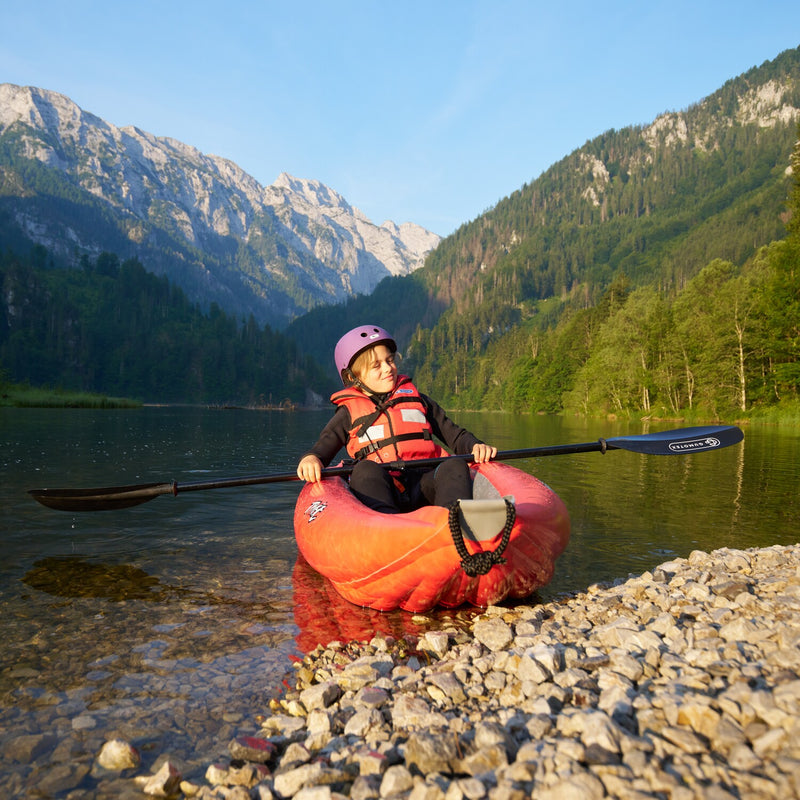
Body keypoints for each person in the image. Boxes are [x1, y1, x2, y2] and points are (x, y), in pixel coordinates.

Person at [296, 324, 497, 513]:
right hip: (382, 489)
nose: (387, 368)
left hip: (424, 484)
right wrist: (311, 459)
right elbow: (322, 449)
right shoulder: (348, 413)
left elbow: (455, 435)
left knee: (454, 464)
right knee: (364, 469)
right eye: (376, 365)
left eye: (390, 360)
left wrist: (474, 446)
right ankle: (386, 527)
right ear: (353, 377)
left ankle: (453, 521)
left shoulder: (420, 401)